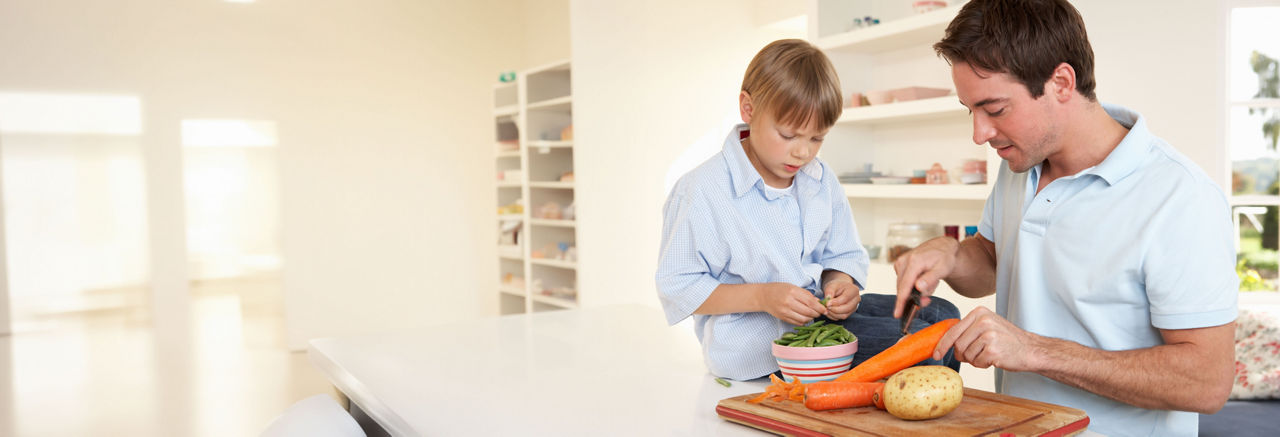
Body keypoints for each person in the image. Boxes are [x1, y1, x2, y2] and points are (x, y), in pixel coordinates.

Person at [890, 0, 1238, 435]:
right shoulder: (1020, 163)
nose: (980, 133)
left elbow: (1206, 382)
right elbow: (995, 266)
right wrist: (953, 256)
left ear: (1061, 82)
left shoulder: (1180, 197)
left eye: (995, 110)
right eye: (970, 110)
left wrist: (1035, 351)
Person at [655, 39, 960, 382]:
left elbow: (840, 254)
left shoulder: (820, 179)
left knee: (944, 316)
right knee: (927, 350)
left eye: (817, 139)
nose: (802, 152)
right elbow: (679, 285)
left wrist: (841, 282)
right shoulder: (702, 190)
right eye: (788, 134)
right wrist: (763, 295)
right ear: (748, 108)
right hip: (758, 344)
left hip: (822, 316)